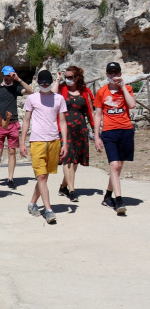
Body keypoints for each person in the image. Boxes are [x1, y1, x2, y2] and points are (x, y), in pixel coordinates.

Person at [19, 69, 68, 225]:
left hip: (54, 141)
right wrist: (22, 142)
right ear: (38, 83)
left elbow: (62, 122)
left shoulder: (59, 99)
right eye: (42, 83)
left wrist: (65, 142)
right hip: (37, 142)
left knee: (44, 177)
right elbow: (26, 121)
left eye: (47, 83)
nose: (45, 85)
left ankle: (33, 203)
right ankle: (48, 210)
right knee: (41, 176)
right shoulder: (32, 98)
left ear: (51, 81)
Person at [93, 61, 136, 215]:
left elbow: (132, 105)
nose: (114, 75)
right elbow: (98, 115)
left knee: (119, 167)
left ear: (120, 74)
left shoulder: (128, 89)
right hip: (109, 132)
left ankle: (107, 196)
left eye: (116, 73)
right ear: (106, 75)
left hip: (125, 130)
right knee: (114, 166)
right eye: (111, 73)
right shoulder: (101, 92)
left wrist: (123, 86)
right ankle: (119, 201)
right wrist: (96, 136)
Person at [0, 66, 34, 189]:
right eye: (6, 76)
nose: (8, 79)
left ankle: (10, 178)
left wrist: (19, 79)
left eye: (10, 77)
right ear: (3, 75)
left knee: (11, 151)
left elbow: (31, 91)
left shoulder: (16, 88)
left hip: (13, 123)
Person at [57, 66, 94, 202]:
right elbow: (53, 96)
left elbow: (90, 111)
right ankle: (72, 190)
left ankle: (63, 187)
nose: (68, 79)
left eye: (70, 77)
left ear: (77, 78)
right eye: (66, 77)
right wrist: (57, 80)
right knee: (67, 159)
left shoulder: (85, 91)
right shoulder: (61, 89)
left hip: (80, 129)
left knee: (75, 161)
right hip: (64, 128)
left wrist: (95, 130)